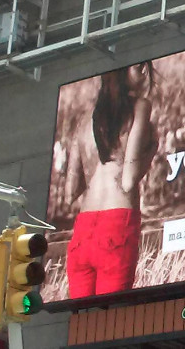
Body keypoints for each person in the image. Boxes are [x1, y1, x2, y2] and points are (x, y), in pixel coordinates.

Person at [64, 62, 157, 299]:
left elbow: (70, 193)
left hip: (83, 231)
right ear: (122, 72)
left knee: (82, 319)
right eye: (139, 66)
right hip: (116, 226)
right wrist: (151, 151)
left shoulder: (86, 118)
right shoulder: (140, 107)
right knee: (111, 317)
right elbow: (128, 180)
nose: (144, 72)